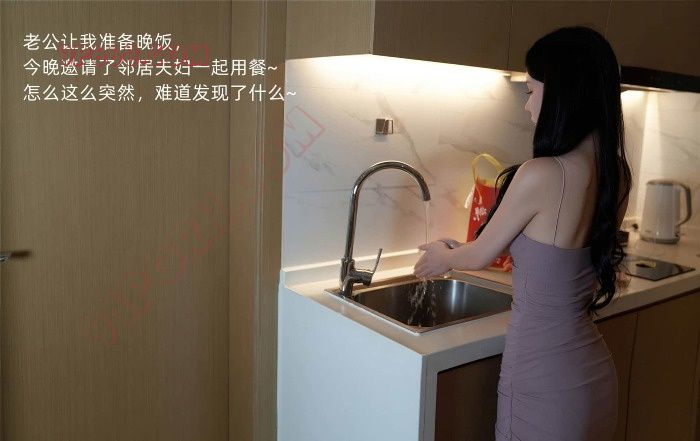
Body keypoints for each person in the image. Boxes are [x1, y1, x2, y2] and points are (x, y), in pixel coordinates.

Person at [413, 26, 632, 441]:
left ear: (562, 93)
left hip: (542, 379)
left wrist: (444, 258)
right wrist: (463, 250)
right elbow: (556, 258)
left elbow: (478, 257)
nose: (528, 105)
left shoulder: (543, 173)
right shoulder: (616, 172)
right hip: (593, 377)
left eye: (531, 91)